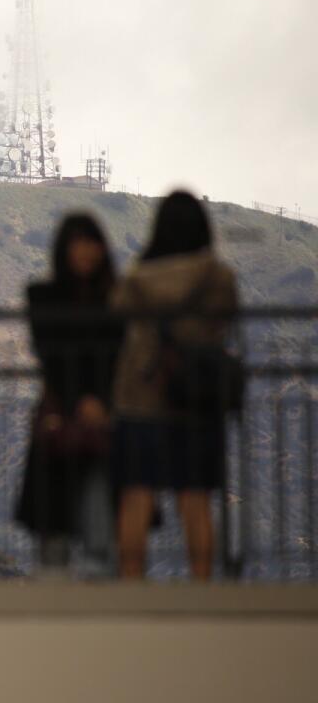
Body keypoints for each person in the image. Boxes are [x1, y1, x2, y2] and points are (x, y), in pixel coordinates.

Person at [111, 191, 239, 580]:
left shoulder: (137, 277)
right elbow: (224, 321)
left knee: (137, 496)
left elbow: (117, 313)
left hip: (141, 397)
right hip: (194, 397)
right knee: (194, 499)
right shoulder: (216, 276)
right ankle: (201, 587)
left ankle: (133, 587)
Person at [15, 214, 124, 575]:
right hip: (63, 422)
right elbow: (51, 356)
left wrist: (103, 403)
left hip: (95, 423)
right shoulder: (43, 296)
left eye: (91, 242)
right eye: (78, 242)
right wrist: (86, 401)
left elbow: (123, 358)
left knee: (100, 529)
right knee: (56, 535)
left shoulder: (117, 300)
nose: (85, 251)